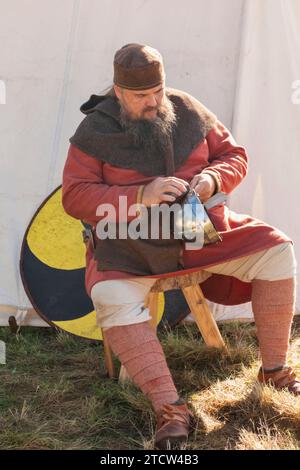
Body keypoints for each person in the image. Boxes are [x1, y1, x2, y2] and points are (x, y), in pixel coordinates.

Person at [62, 43, 299, 449]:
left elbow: (234, 155)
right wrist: (141, 195)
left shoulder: (187, 109)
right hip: (129, 243)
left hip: (199, 232)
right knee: (110, 292)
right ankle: (171, 408)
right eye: (141, 96)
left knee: (277, 250)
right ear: (118, 92)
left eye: (158, 91)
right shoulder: (94, 132)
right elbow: (75, 196)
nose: (154, 103)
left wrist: (211, 180)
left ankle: (274, 370)